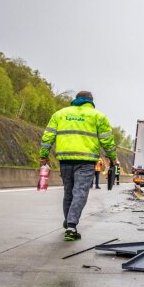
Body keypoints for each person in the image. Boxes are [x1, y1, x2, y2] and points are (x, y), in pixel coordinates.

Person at [39, 91, 117, 241]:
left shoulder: (60, 114)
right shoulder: (97, 116)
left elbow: (48, 136)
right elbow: (107, 140)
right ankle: (71, 225)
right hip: (86, 161)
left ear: (76, 100)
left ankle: (68, 221)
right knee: (80, 192)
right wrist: (112, 157)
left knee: (68, 192)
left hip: (65, 159)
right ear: (91, 101)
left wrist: (43, 155)